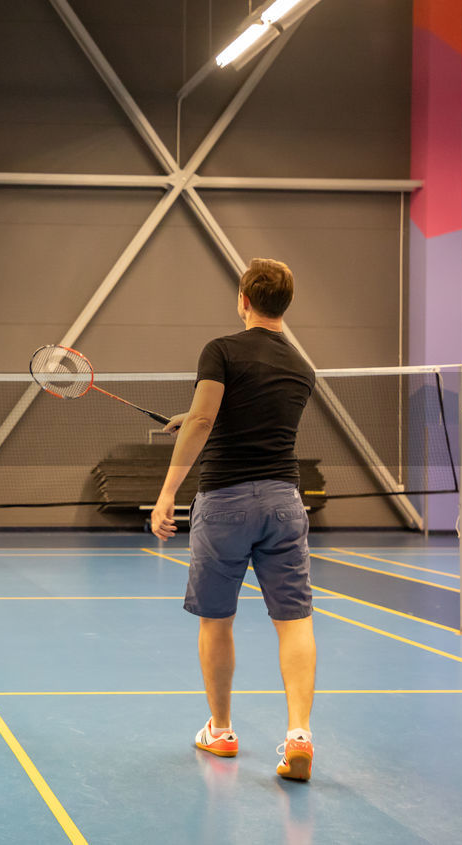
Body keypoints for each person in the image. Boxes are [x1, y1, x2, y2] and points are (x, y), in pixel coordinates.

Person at [150, 258, 318, 781]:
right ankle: (298, 734)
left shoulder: (220, 350)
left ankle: (221, 730)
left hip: (225, 502)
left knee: (217, 618)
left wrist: (167, 493)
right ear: (284, 305)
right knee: (294, 619)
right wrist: (198, 417)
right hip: (285, 501)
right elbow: (251, 414)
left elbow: (204, 419)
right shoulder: (301, 367)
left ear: (243, 299)